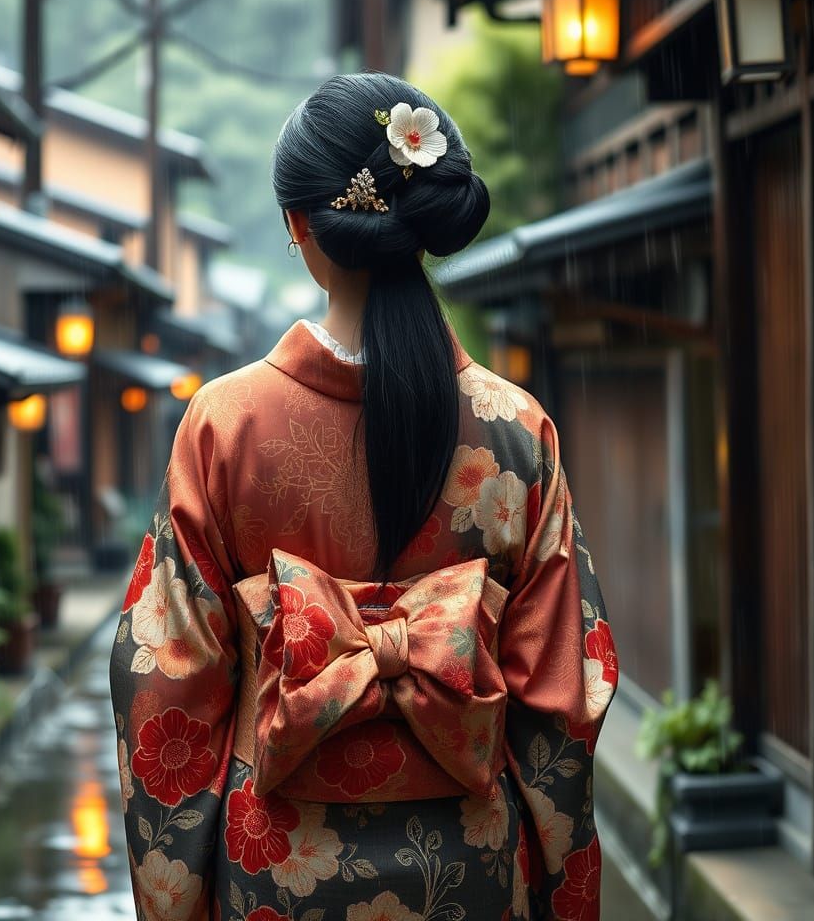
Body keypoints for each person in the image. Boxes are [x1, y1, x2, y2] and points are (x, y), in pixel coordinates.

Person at [110, 73, 618, 921]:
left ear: (299, 224)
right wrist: (563, 879)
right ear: (420, 229)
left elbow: (167, 679)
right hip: (470, 862)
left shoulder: (224, 425)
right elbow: (568, 689)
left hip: (276, 863)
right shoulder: (515, 429)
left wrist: (180, 894)